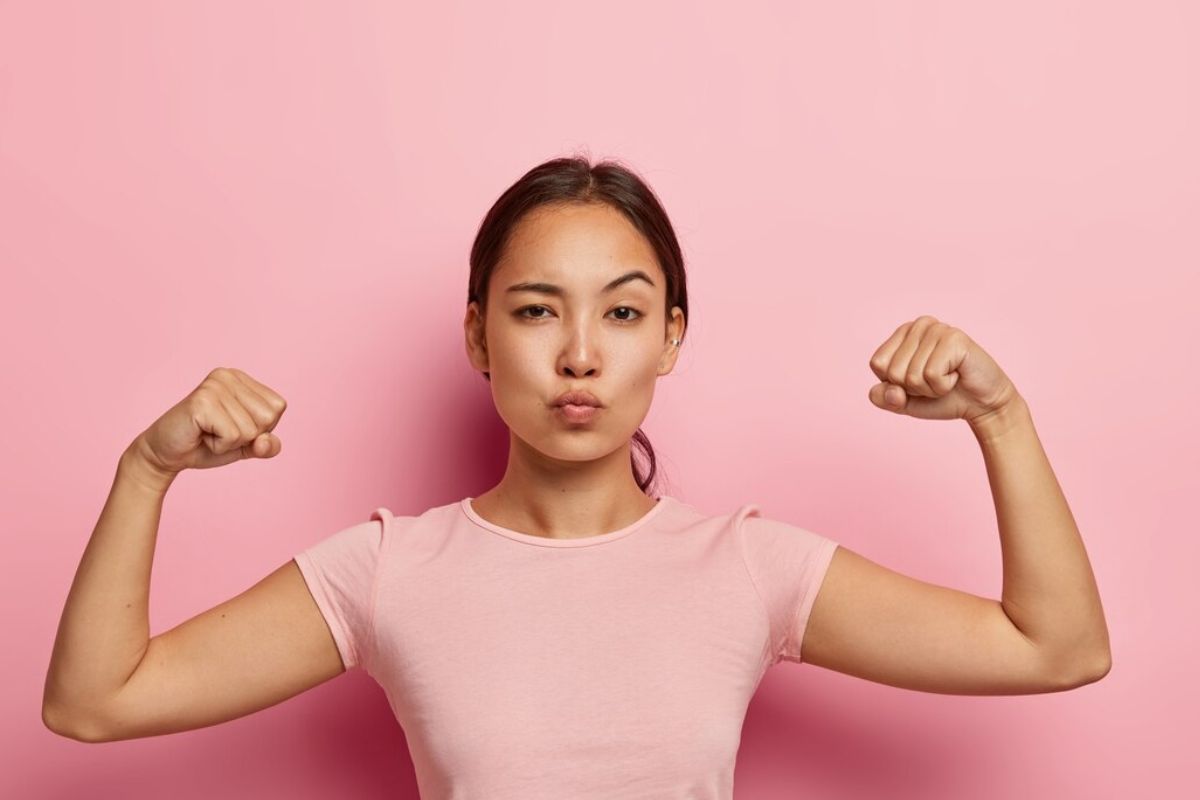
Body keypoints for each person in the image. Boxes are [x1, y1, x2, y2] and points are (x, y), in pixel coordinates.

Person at [43, 156, 1111, 798]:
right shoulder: (389, 568)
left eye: (625, 310)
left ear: (671, 337)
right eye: (537, 308)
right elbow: (95, 701)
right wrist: (146, 471)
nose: (582, 354)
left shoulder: (746, 565)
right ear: (477, 335)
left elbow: (1056, 647)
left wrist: (1001, 420)